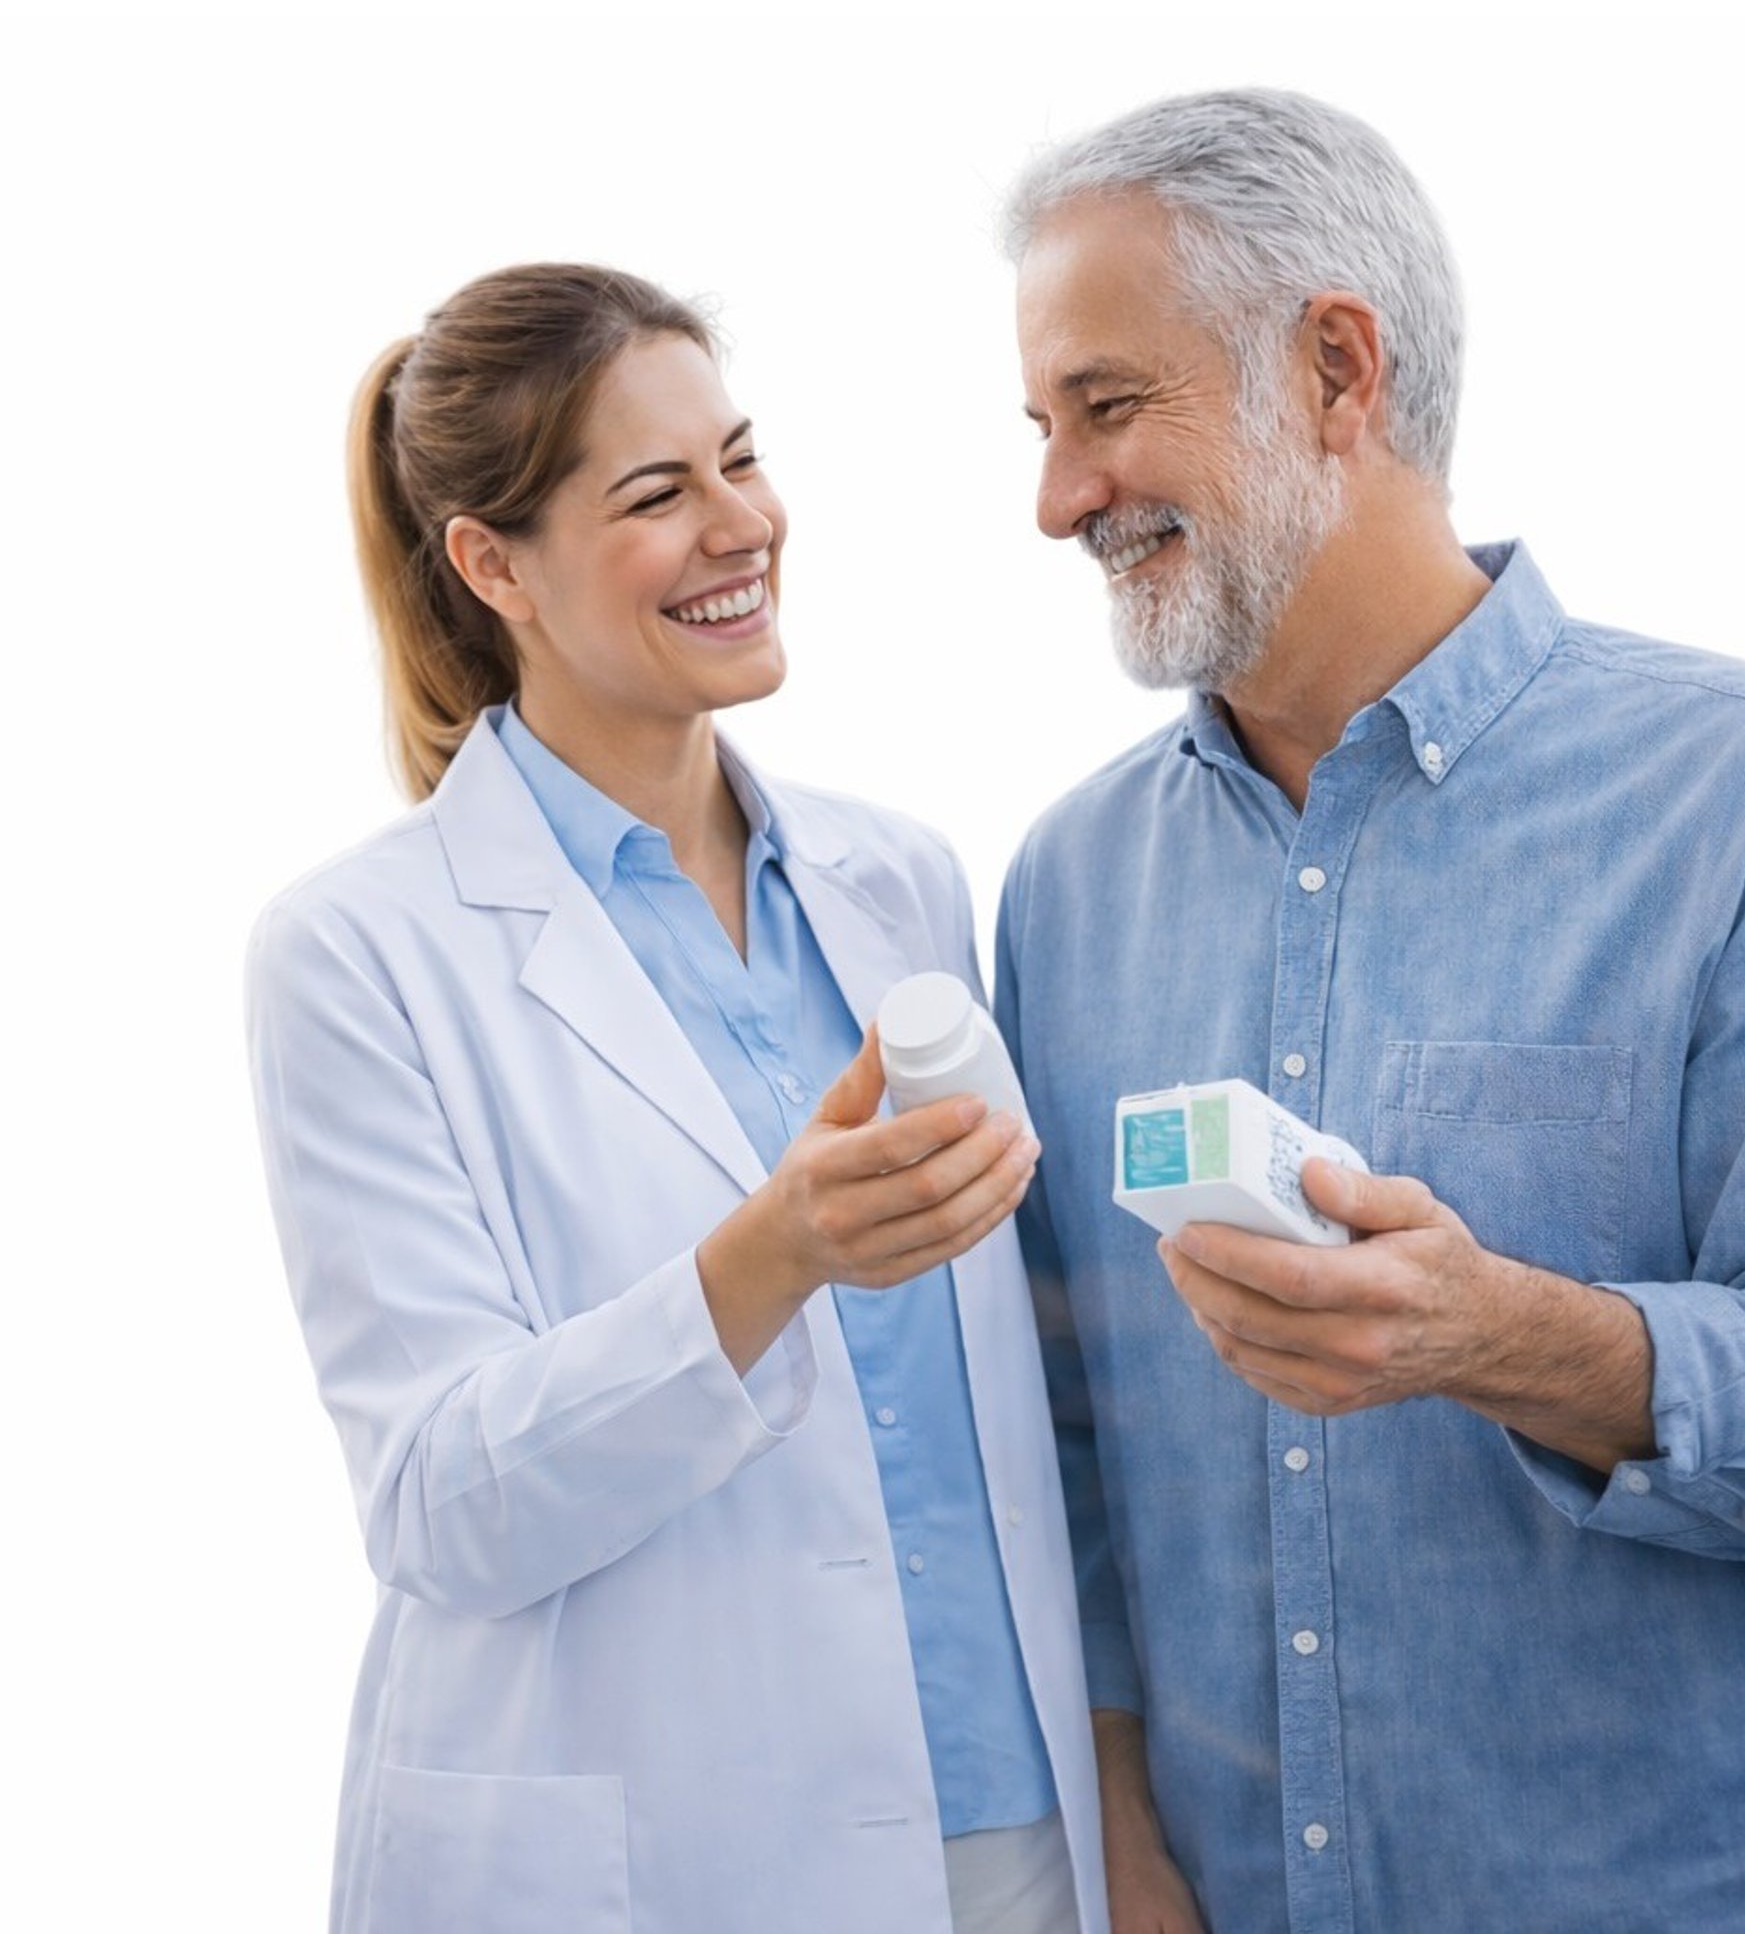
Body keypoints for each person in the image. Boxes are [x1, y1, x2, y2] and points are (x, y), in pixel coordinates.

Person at [993, 90, 1745, 1934]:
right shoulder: (1063, 886)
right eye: (1044, 429)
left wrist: (1503, 1334)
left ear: (1338, 369)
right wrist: (1121, 1841)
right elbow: (1061, 1447)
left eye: (1107, 408)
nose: (1057, 499)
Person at [247, 264, 1107, 1934]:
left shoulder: (900, 880)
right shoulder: (358, 953)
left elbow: (1025, 1399)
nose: (741, 523)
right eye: (658, 493)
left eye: (740, 456)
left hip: (1007, 1831)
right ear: (492, 564)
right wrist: (763, 1262)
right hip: (666, 1857)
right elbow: (437, 1502)